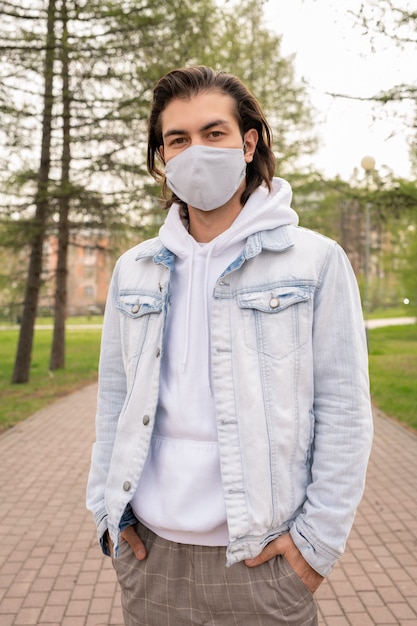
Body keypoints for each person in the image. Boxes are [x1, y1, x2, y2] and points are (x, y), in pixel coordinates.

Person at [86, 65, 373, 626]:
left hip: (261, 561)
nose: (196, 150)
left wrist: (315, 549)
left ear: (248, 143)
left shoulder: (315, 262)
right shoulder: (134, 270)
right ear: (162, 159)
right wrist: (106, 514)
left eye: (213, 133)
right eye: (177, 139)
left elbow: (344, 412)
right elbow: (113, 403)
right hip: (150, 557)